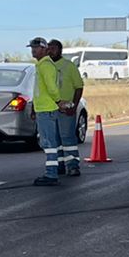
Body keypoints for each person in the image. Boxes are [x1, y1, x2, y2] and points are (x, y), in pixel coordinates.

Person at [28, 36, 66, 186]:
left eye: (36, 48)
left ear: (44, 49)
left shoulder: (45, 66)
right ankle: (54, 171)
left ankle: (51, 174)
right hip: (44, 108)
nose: (33, 50)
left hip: (47, 109)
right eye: (32, 48)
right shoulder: (43, 65)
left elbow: (51, 87)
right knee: (50, 142)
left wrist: (57, 101)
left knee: (48, 143)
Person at [46, 39, 83, 179]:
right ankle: (59, 165)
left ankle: (73, 166)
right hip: (50, 108)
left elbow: (79, 86)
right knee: (54, 139)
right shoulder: (45, 66)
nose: (51, 51)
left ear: (60, 50)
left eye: (54, 48)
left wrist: (73, 105)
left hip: (66, 109)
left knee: (67, 138)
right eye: (49, 48)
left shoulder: (69, 66)